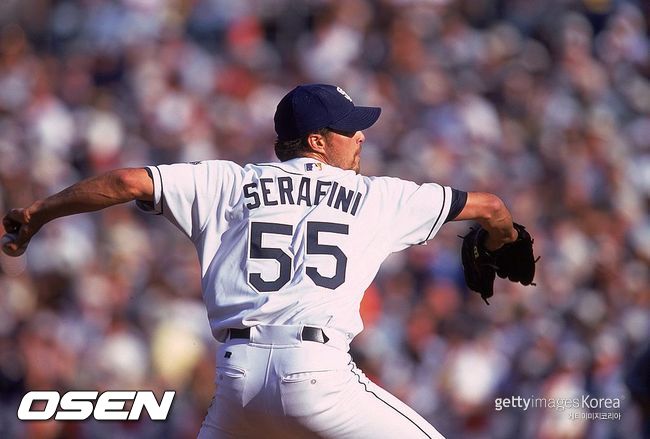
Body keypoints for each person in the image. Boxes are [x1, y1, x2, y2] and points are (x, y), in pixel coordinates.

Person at [2, 84, 517, 438]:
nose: (361, 136)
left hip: (238, 382)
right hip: (319, 377)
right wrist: (504, 237)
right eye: (349, 130)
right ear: (317, 142)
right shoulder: (378, 196)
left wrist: (40, 213)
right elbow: (491, 207)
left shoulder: (226, 182)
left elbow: (125, 183)